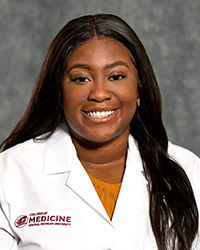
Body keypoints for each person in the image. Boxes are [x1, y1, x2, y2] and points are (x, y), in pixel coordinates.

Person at [0, 14, 199, 250]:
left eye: (116, 76)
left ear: (139, 88)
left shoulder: (189, 170)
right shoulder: (10, 173)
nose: (100, 93)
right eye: (81, 79)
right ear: (59, 91)